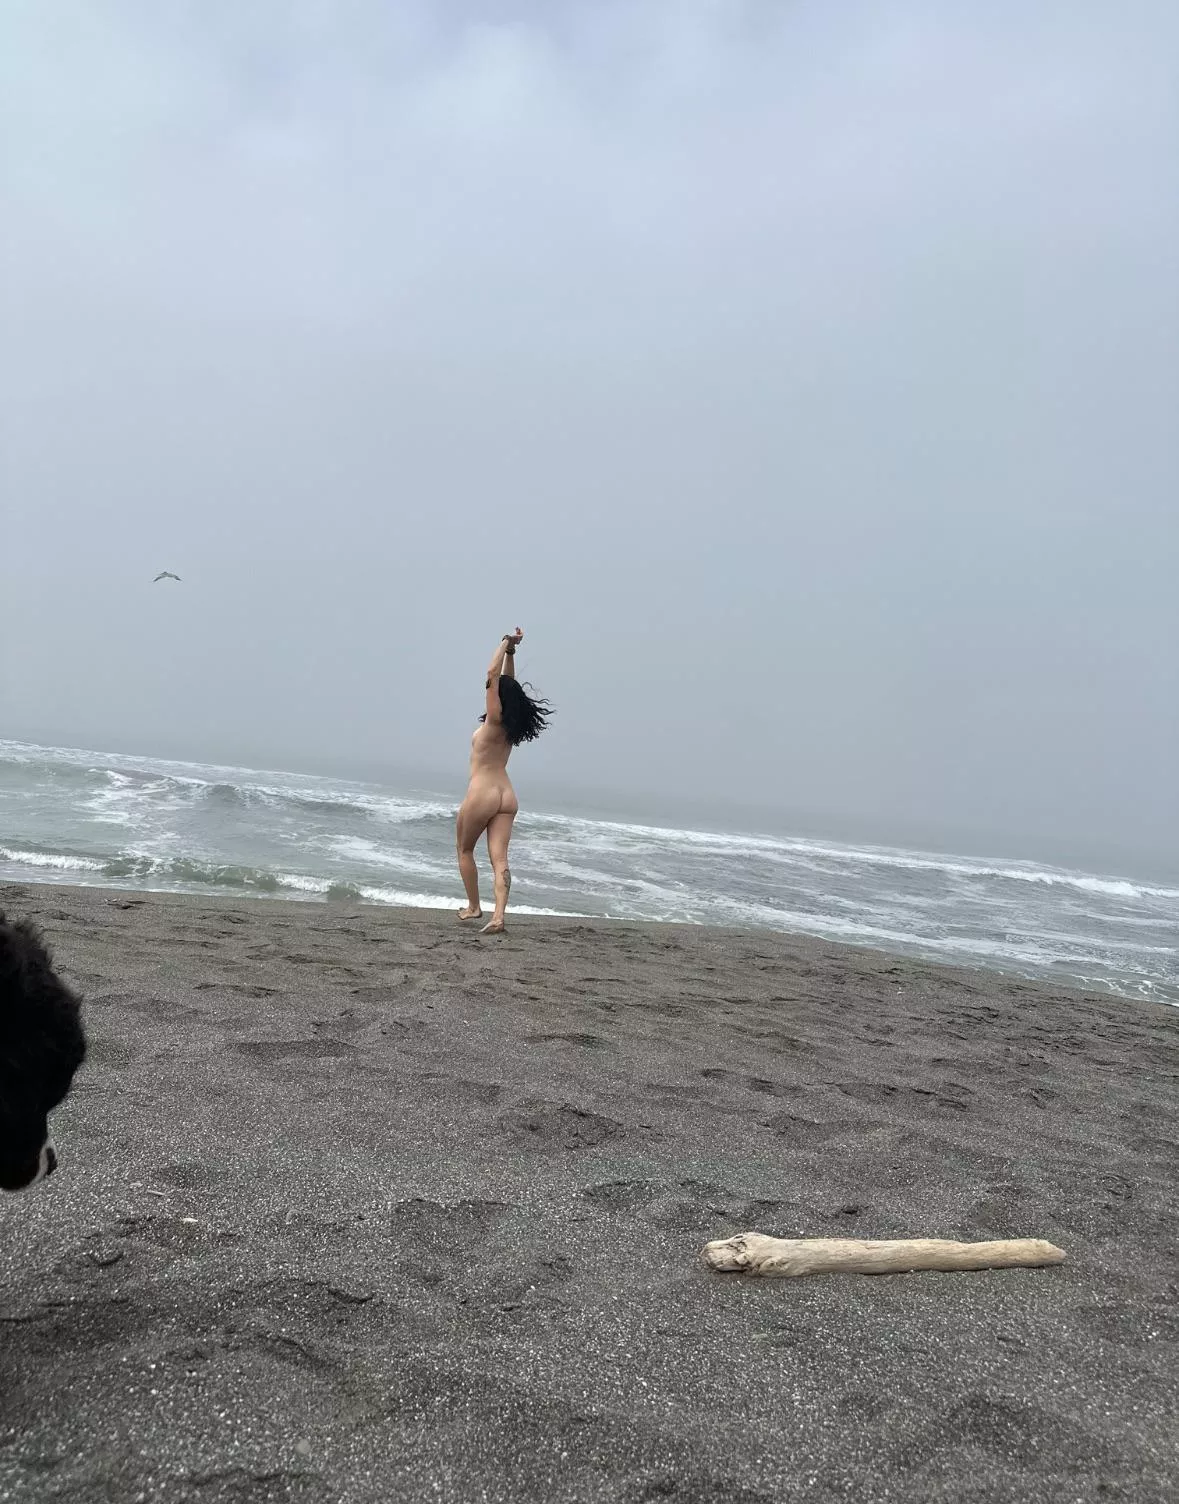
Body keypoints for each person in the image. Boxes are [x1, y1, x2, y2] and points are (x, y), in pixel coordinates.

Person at [456, 628, 552, 934]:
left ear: (496, 699)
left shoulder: (494, 720)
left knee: (465, 851)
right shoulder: (509, 727)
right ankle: (499, 916)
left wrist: (504, 642)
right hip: (506, 795)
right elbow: (507, 683)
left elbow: (491, 673)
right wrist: (512, 654)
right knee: (500, 859)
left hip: (482, 791)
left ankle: (474, 907)